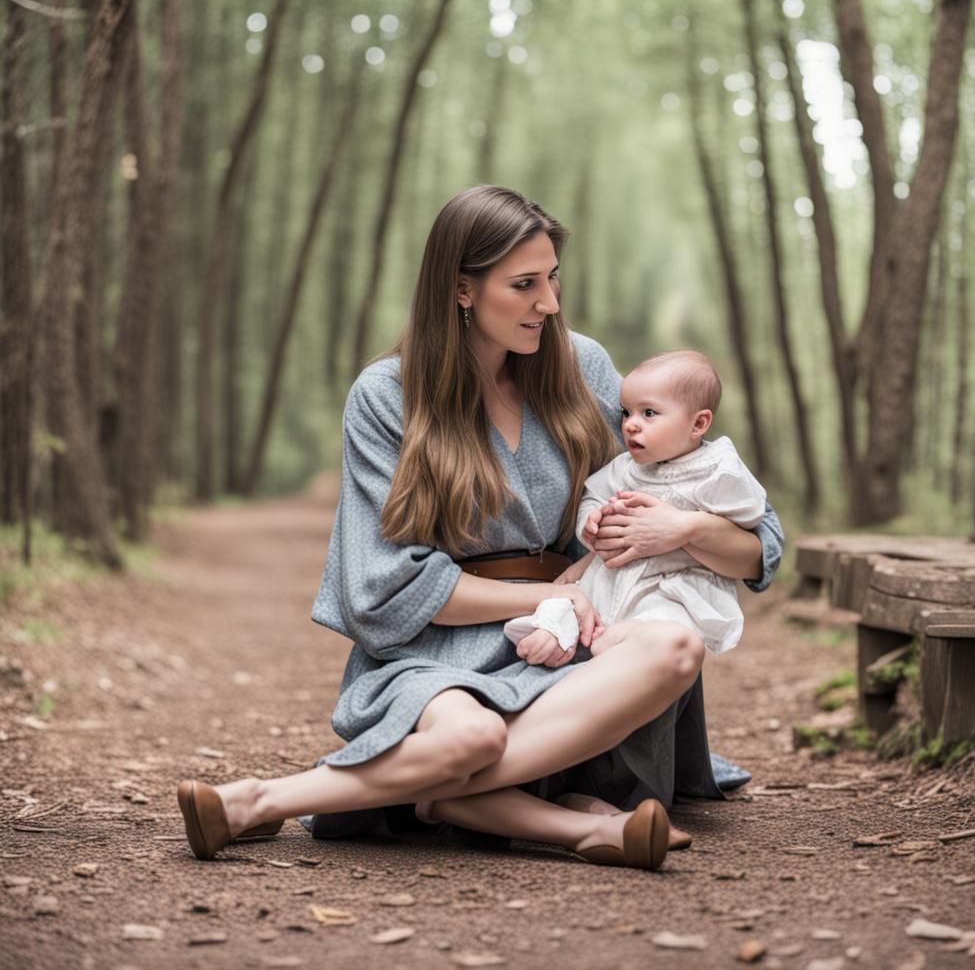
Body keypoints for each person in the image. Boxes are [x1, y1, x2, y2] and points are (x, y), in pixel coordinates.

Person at [176, 186, 783, 871]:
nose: (549, 304)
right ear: (461, 289)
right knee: (468, 740)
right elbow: (382, 590)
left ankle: (427, 795)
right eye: (523, 285)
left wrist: (681, 527)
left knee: (673, 648)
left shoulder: (583, 368)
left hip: (565, 648)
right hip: (433, 651)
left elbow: (748, 532)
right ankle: (572, 827)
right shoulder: (386, 397)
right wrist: (548, 596)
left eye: (552, 280)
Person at [504, 349, 765, 661]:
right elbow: (592, 496)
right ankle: (553, 632)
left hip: (672, 583)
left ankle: (624, 638)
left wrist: (687, 524)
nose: (630, 424)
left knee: (667, 620)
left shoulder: (716, 469)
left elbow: (748, 515)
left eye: (649, 414)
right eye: (627, 413)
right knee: (576, 596)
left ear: (698, 424)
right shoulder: (625, 467)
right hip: (614, 574)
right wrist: (593, 522)